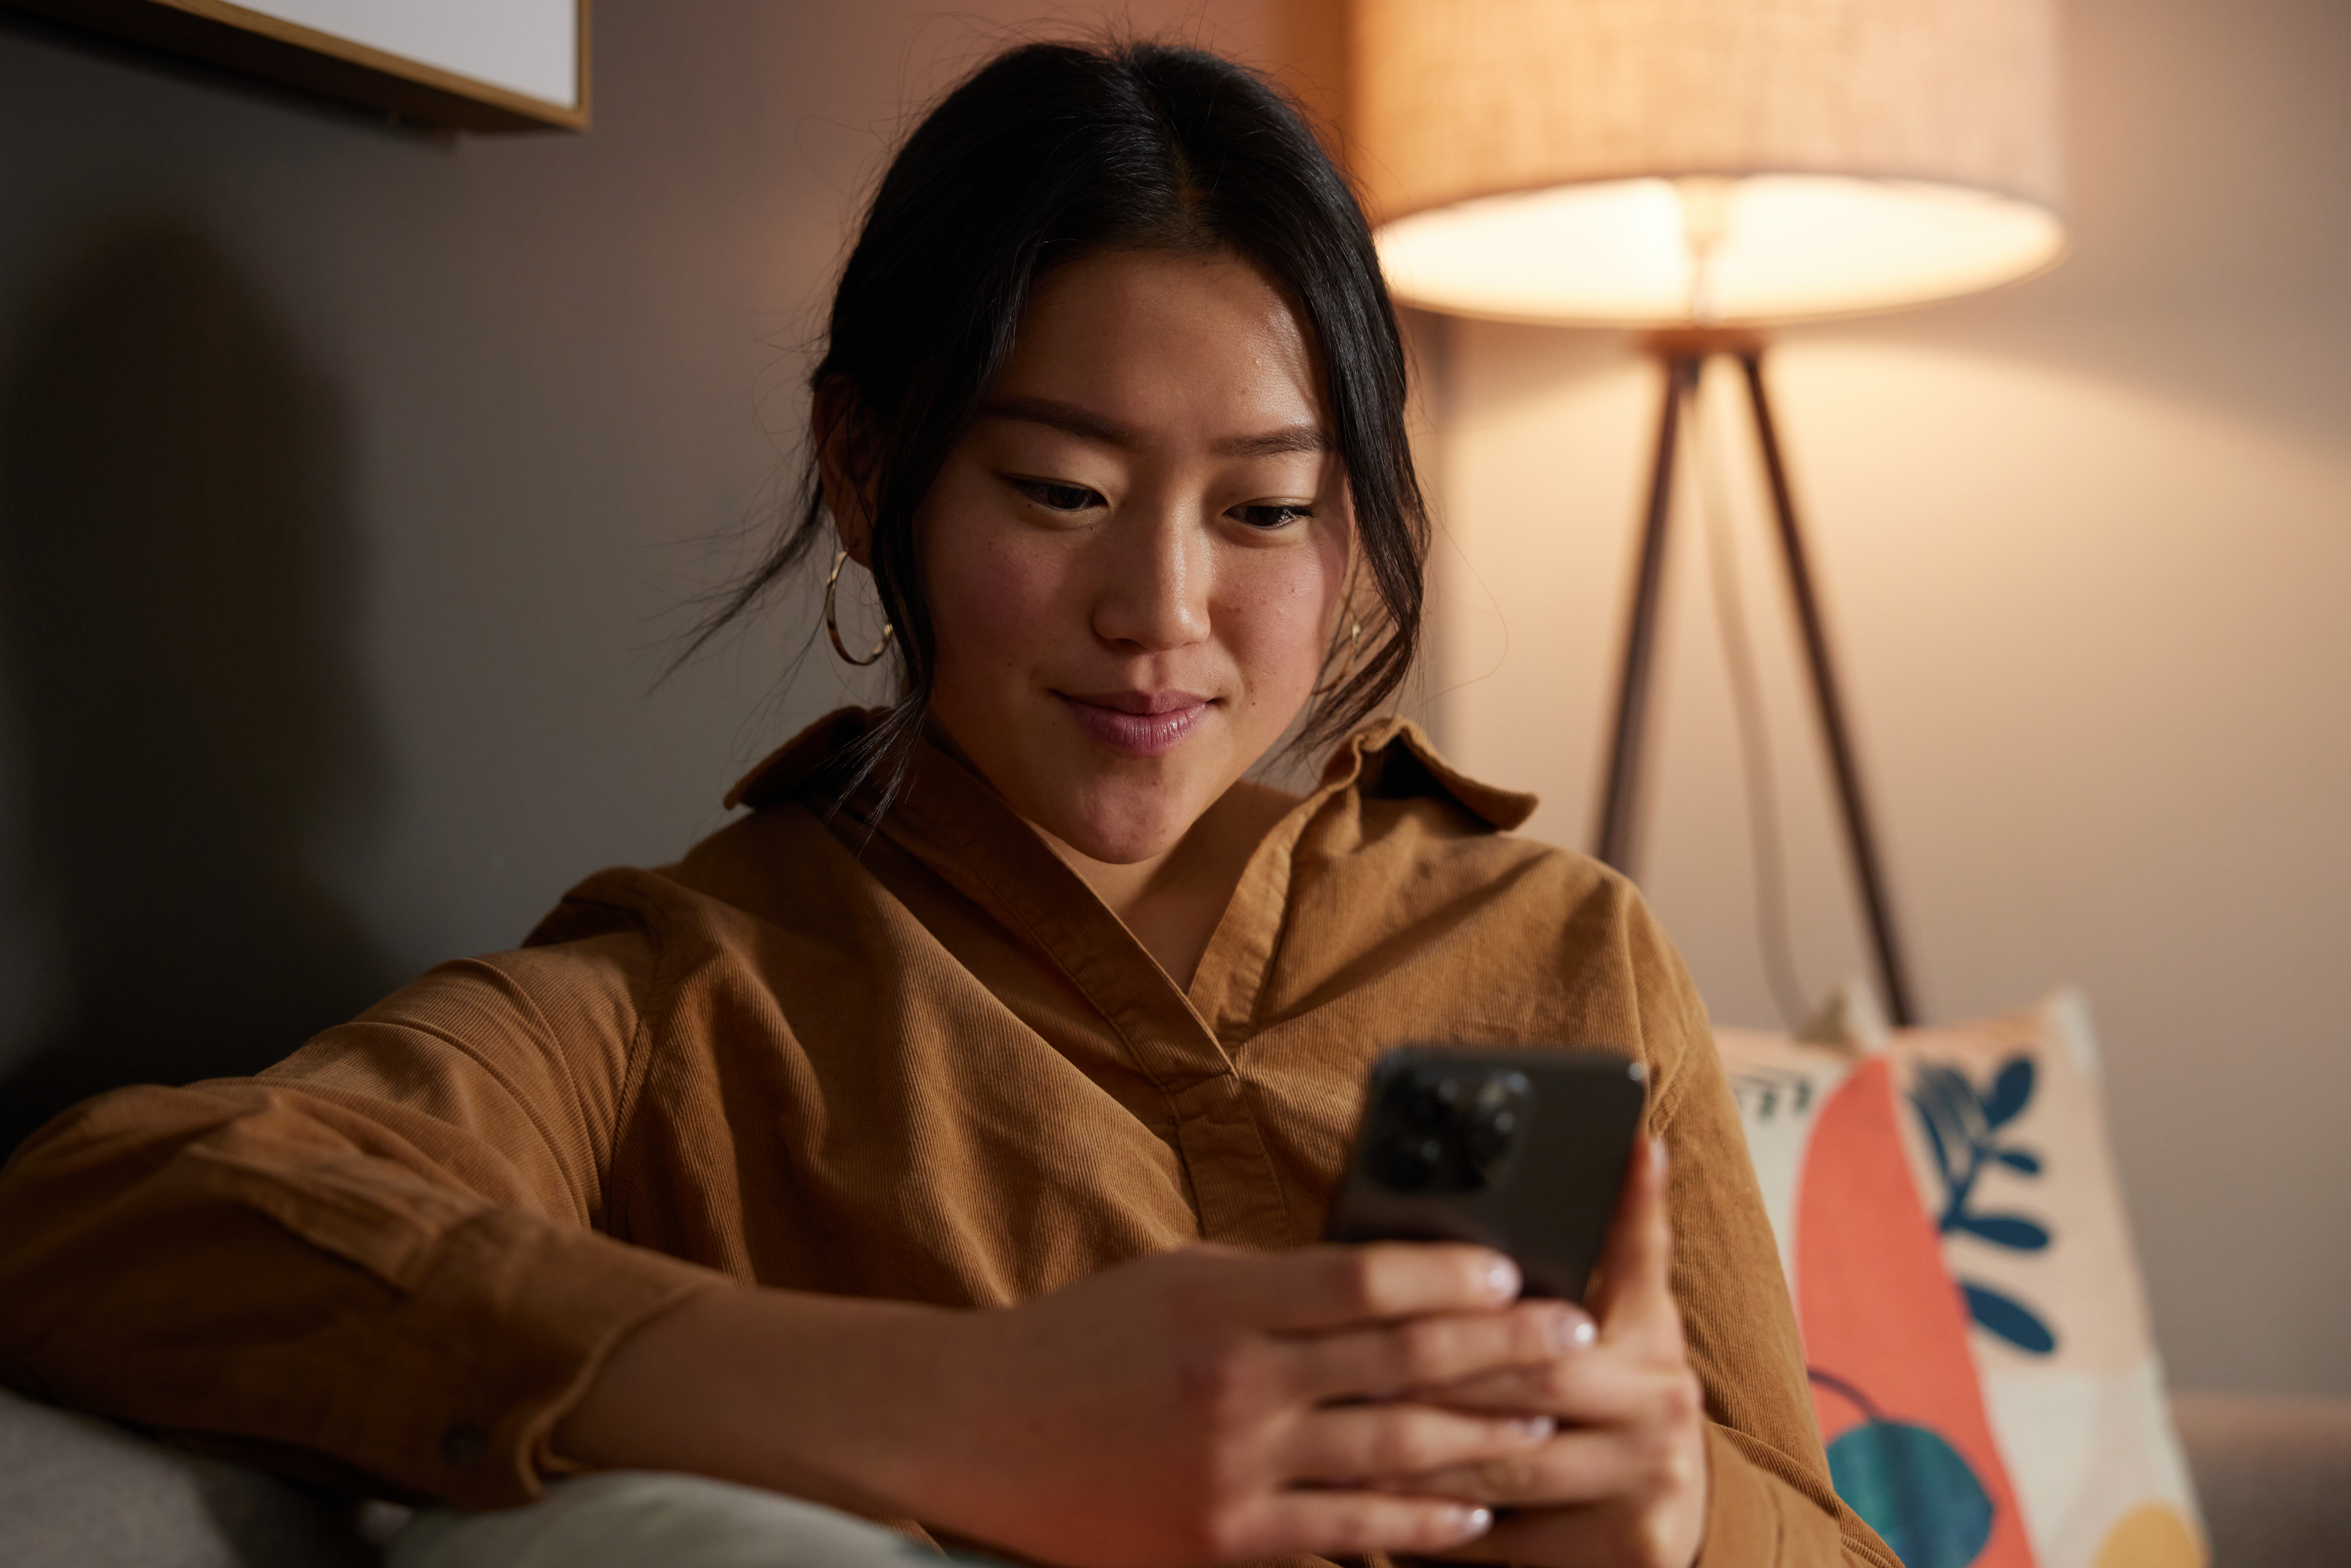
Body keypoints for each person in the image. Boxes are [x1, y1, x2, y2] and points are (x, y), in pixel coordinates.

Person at [0, 37, 1895, 1568]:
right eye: (1061, 492)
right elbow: (118, 1217)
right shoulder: (696, 996)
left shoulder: (1554, 943)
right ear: (863, 463)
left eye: (1265, 510)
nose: (1161, 614)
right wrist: (956, 1409)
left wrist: (1679, 1520)